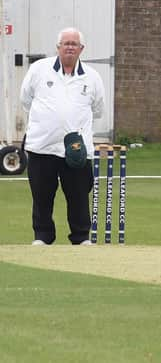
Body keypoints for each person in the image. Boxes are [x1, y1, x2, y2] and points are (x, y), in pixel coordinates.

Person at [20, 27, 105, 245]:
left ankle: (81, 237)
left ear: (81, 49)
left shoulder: (92, 77)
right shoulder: (39, 69)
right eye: (65, 43)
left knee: (78, 195)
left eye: (74, 44)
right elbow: (25, 100)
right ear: (58, 47)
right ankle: (42, 236)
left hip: (76, 148)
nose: (69, 47)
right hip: (42, 145)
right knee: (42, 195)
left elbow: (98, 109)